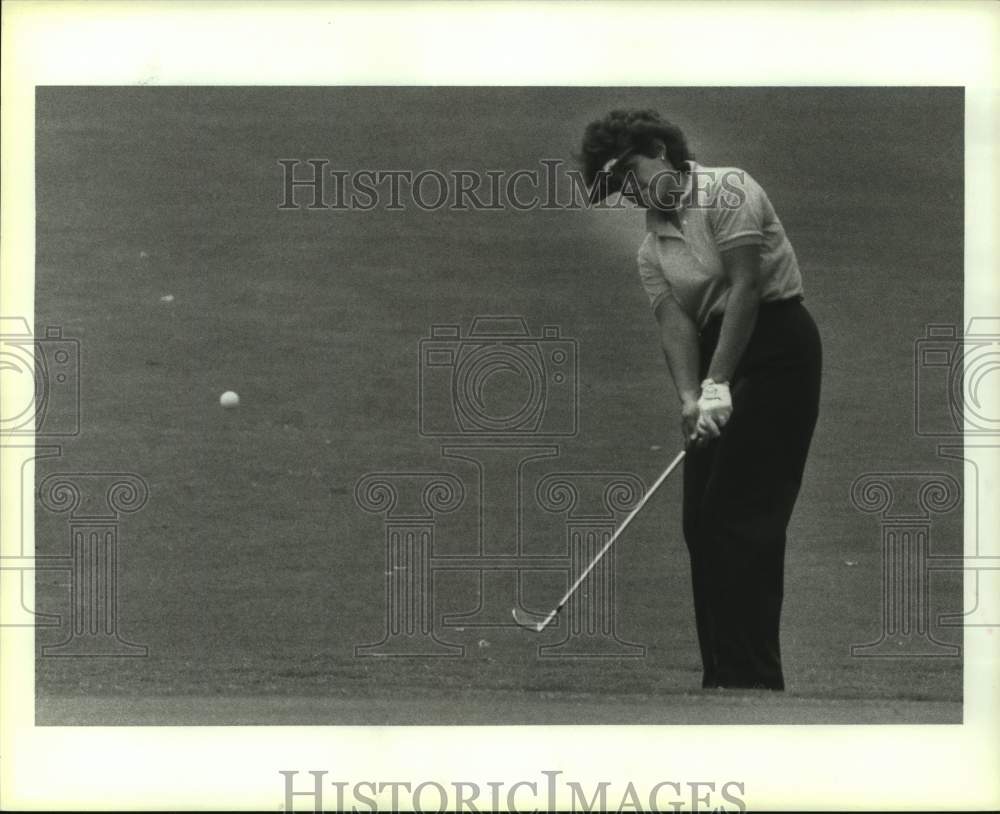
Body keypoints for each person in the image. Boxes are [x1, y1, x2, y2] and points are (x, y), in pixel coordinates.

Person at [579, 109, 822, 690]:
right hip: (719, 355)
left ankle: (753, 677)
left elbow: (747, 288)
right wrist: (692, 397)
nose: (632, 193)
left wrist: (718, 385)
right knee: (701, 522)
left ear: (661, 149)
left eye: (632, 174)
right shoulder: (652, 249)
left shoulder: (728, 189)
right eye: (620, 189)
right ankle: (721, 678)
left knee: (742, 514)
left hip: (777, 348)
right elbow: (676, 325)